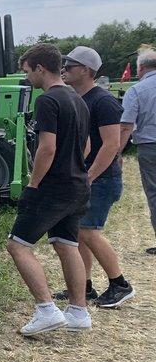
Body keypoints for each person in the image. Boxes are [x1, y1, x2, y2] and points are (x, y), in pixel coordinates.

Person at [5, 43, 91, 335]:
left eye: (27, 71)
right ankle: (78, 312)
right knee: (67, 245)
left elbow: (47, 148)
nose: (26, 77)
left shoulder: (47, 100)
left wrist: (33, 183)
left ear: (40, 68)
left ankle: (46, 309)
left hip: (53, 188)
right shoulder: (78, 99)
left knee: (17, 246)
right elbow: (86, 146)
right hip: (78, 186)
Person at [57, 46, 134, 308]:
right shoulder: (79, 99)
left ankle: (120, 284)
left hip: (101, 178)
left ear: (85, 70)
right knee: (80, 233)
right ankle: (84, 286)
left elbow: (111, 145)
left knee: (88, 232)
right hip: (89, 177)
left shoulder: (103, 101)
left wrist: (89, 177)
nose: (64, 70)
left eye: (69, 66)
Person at [120, 45, 156, 255]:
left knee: (154, 193)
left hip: (150, 147)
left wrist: (116, 153)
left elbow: (126, 126)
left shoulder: (136, 91)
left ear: (140, 68)